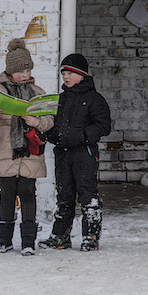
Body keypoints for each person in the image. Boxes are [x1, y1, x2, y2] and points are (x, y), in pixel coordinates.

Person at [0, 38, 54, 255]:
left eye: (28, 70)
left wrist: (37, 122)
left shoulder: (38, 92)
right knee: (7, 194)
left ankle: (28, 242)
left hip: (29, 150)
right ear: (10, 71)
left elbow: (49, 122)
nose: (25, 75)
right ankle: (4, 241)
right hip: (4, 152)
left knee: (28, 193)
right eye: (20, 71)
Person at [40, 53, 113, 251]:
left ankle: (90, 237)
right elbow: (53, 127)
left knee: (88, 196)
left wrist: (81, 137)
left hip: (85, 154)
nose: (66, 76)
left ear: (82, 75)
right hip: (63, 154)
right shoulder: (59, 100)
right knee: (64, 196)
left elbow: (103, 126)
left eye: (71, 72)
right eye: (64, 72)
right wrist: (49, 134)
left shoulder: (94, 99)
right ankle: (60, 236)